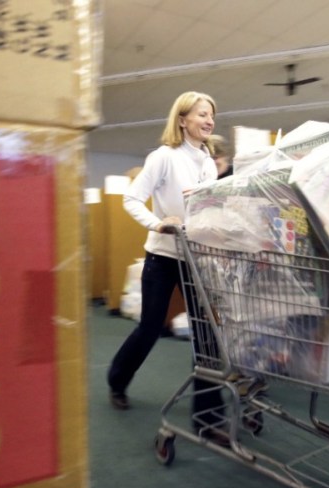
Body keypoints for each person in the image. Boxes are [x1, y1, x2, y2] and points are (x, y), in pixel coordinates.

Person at [107, 91, 227, 444]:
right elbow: (132, 198)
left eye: (212, 116)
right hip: (162, 257)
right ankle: (117, 380)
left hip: (196, 258)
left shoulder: (207, 161)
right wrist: (157, 223)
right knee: (149, 328)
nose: (208, 121)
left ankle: (207, 418)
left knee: (207, 338)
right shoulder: (164, 157)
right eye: (202, 114)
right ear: (182, 119)